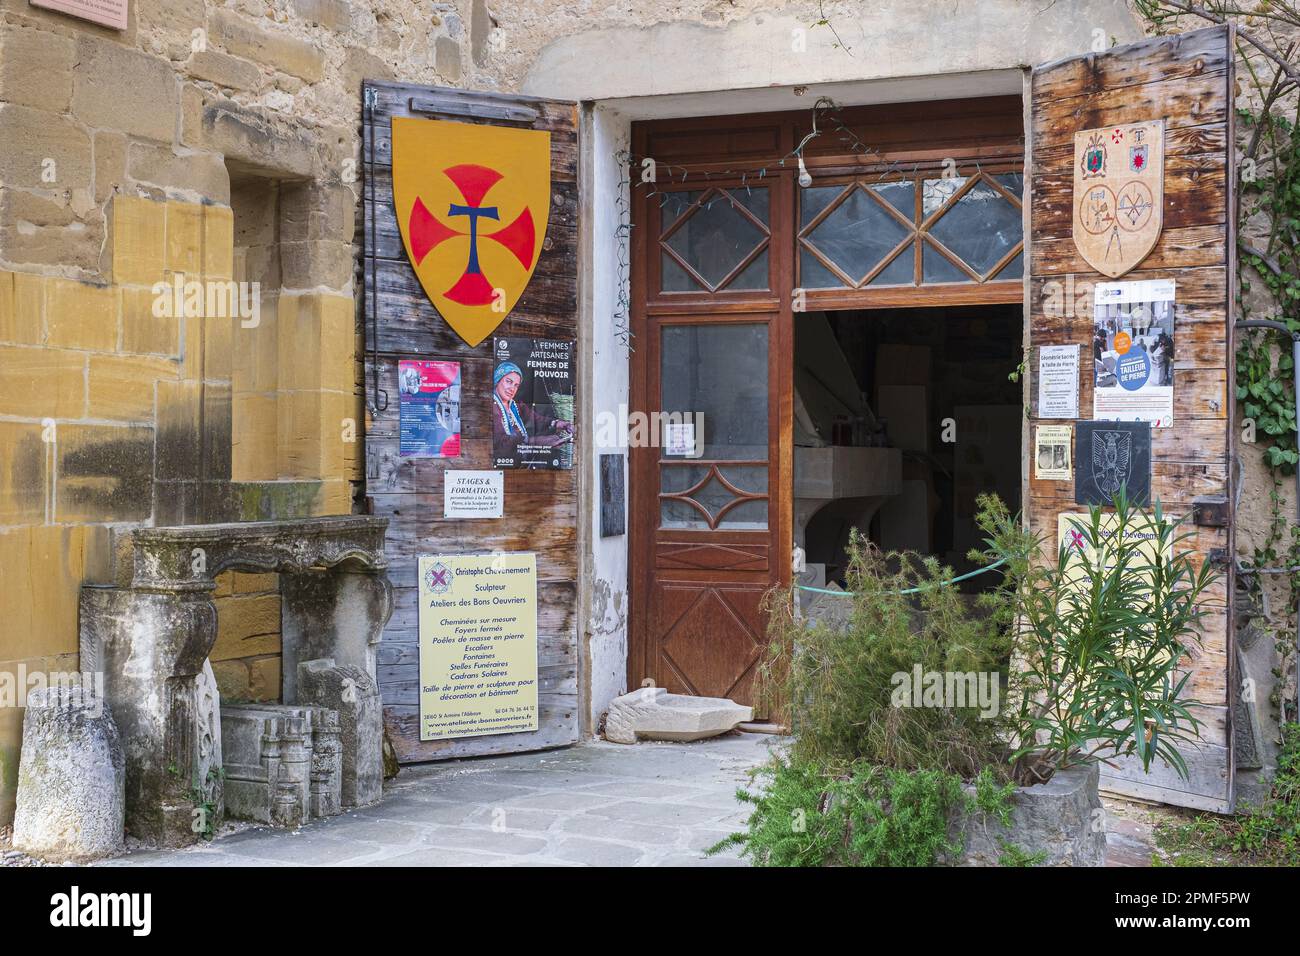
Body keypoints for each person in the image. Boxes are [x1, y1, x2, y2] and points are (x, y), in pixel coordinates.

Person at [492, 361, 573, 463]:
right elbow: (501, 442)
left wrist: (557, 423)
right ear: (498, 380)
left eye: (516, 385)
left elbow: (534, 418)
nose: (512, 388)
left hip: (522, 461)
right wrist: (534, 441)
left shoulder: (515, 405)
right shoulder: (491, 406)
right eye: (508, 381)